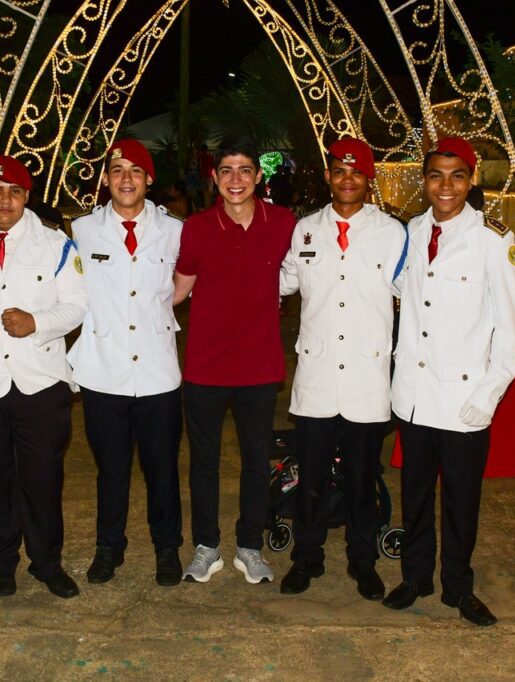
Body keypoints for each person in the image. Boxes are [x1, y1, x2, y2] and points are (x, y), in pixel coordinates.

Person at [382, 136, 515, 626]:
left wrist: (491, 392)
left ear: (471, 180)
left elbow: (509, 327)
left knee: (461, 501)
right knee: (415, 494)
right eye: (437, 176)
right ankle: (416, 577)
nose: (446, 186)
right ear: (425, 181)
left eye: (457, 176)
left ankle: (458, 588)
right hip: (415, 395)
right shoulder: (413, 231)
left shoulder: (494, 240)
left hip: (465, 397)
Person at [0, 155, 87, 600]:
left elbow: (78, 305)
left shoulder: (55, 243)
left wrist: (37, 322)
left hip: (40, 381)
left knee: (43, 480)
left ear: (27, 196)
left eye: (15, 192)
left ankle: (47, 563)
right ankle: (2, 561)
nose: (5, 201)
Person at [278, 137, 406, 599]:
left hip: (368, 379)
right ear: (328, 176)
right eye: (339, 170)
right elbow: (279, 283)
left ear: (368, 179)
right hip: (317, 376)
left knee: (362, 479)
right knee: (311, 477)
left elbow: (415, 292)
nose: (347, 179)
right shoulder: (305, 230)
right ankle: (307, 558)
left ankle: (362, 560)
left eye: (356, 172)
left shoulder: (392, 233)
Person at [173, 136, 296, 584]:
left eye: (245, 169)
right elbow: (177, 290)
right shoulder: (197, 227)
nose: (236, 179)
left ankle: (249, 546)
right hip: (205, 366)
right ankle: (206, 546)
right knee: (203, 461)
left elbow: (302, 273)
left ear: (258, 176)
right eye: (226, 170)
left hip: (259, 366)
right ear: (215, 177)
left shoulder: (282, 223)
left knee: (255, 460)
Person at [68, 139, 184, 587]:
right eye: (117, 170)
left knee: (162, 470)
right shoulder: (82, 229)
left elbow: (185, 280)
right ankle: (108, 547)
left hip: (157, 370)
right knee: (111, 470)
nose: (126, 179)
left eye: (136, 170)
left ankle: (167, 548)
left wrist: (161, 308)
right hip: (103, 369)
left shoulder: (174, 230)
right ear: (105, 178)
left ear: (149, 179)